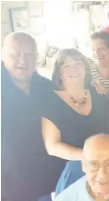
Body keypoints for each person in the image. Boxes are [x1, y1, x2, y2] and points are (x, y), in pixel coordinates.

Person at [1, 32, 64, 201]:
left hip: (50, 184)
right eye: (15, 54)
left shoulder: (46, 87)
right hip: (11, 188)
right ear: (3, 54)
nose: (22, 60)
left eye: (29, 54)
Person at [41, 48, 109, 161]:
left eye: (78, 63)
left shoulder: (98, 93)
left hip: (105, 162)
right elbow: (52, 146)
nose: (74, 69)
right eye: (66, 66)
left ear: (86, 69)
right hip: (73, 168)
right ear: (59, 74)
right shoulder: (50, 101)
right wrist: (89, 157)